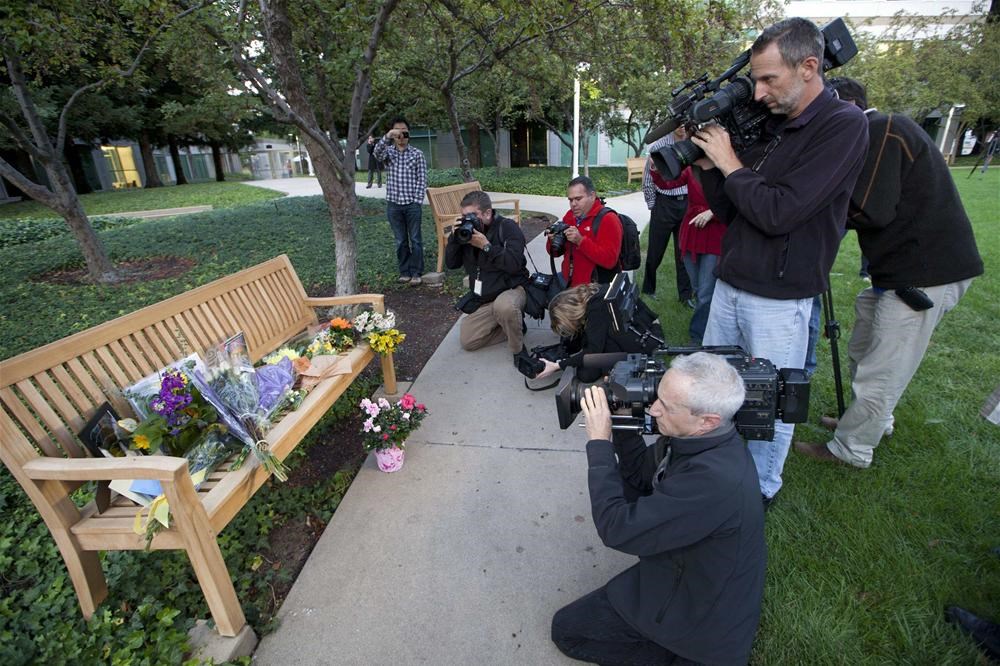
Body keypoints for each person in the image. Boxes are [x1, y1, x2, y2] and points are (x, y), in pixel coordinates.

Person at [689, 17, 868, 505]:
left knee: (767, 402)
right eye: (756, 78)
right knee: (712, 387)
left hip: (779, 297)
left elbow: (779, 211)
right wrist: (710, 166)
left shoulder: (843, 125)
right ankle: (712, 467)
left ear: (809, 67)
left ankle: (759, 490)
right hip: (731, 283)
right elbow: (731, 207)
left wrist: (730, 163)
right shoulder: (773, 124)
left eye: (769, 78)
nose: (760, 91)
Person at [794, 77, 983, 468]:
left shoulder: (884, 129)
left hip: (923, 272)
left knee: (882, 367)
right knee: (865, 349)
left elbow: (869, 208)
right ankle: (871, 422)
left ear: (844, 107)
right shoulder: (878, 132)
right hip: (900, 270)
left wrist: (809, 215)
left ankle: (852, 449)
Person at [551, 352, 766, 666]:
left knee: (569, 633)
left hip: (704, 618)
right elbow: (640, 474)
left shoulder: (713, 481)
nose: (653, 409)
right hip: (682, 576)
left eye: (666, 406)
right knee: (569, 626)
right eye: (657, 397)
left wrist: (599, 444)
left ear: (707, 420)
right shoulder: (698, 441)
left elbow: (617, 529)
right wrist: (623, 419)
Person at [445, 191, 530, 361]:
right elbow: (452, 264)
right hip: (485, 298)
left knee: (504, 306)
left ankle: (518, 351)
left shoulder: (507, 228)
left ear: (487, 213)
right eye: (464, 216)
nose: (468, 220)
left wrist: (486, 246)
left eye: (473, 215)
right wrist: (455, 239)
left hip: (512, 289)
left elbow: (514, 265)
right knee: (469, 341)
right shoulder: (466, 233)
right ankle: (513, 324)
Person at [534, 282, 663, 382]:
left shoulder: (596, 311)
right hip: (650, 330)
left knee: (585, 374)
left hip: (647, 347)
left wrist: (558, 366)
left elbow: (592, 353)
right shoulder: (597, 293)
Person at [642, 128, 694, 304]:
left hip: (686, 203)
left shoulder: (692, 142)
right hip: (664, 203)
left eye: (685, 124)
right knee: (655, 251)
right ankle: (648, 289)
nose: (682, 128)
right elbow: (648, 179)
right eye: (678, 124)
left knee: (683, 253)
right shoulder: (659, 146)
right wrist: (653, 206)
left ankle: (685, 296)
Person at [373, 117, 427, 285]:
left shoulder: (417, 154)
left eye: (404, 132)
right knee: (400, 240)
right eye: (398, 132)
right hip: (394, 204)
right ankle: (404, 271)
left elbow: (422, 179)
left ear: (409, 133)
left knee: (416, 239)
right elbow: (376, 153)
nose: (401, 136)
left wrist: (417, 201)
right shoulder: (388, 153)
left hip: (412, 204)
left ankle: (416, 272)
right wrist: (388, 135)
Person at [673, 166, 724, 344]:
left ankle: (698, 336)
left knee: (705, 292)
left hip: (714, 237)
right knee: (698, 289)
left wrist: (714, 212)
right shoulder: (691, 169)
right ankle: (709, 328)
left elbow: (733, 201)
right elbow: (671, 182)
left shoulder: (724, 168)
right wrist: (657, 168)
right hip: (692, 234)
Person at [547, 176, 622, 288]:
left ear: (592, 196)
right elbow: (555, 253)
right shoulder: (569, 215)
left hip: (592, 287)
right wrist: (552, 240)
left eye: (578, 199)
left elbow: (610, 261)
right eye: (570, 200)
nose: (573, 204)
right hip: (567, 279)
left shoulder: (608, 219)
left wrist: (581, 241)